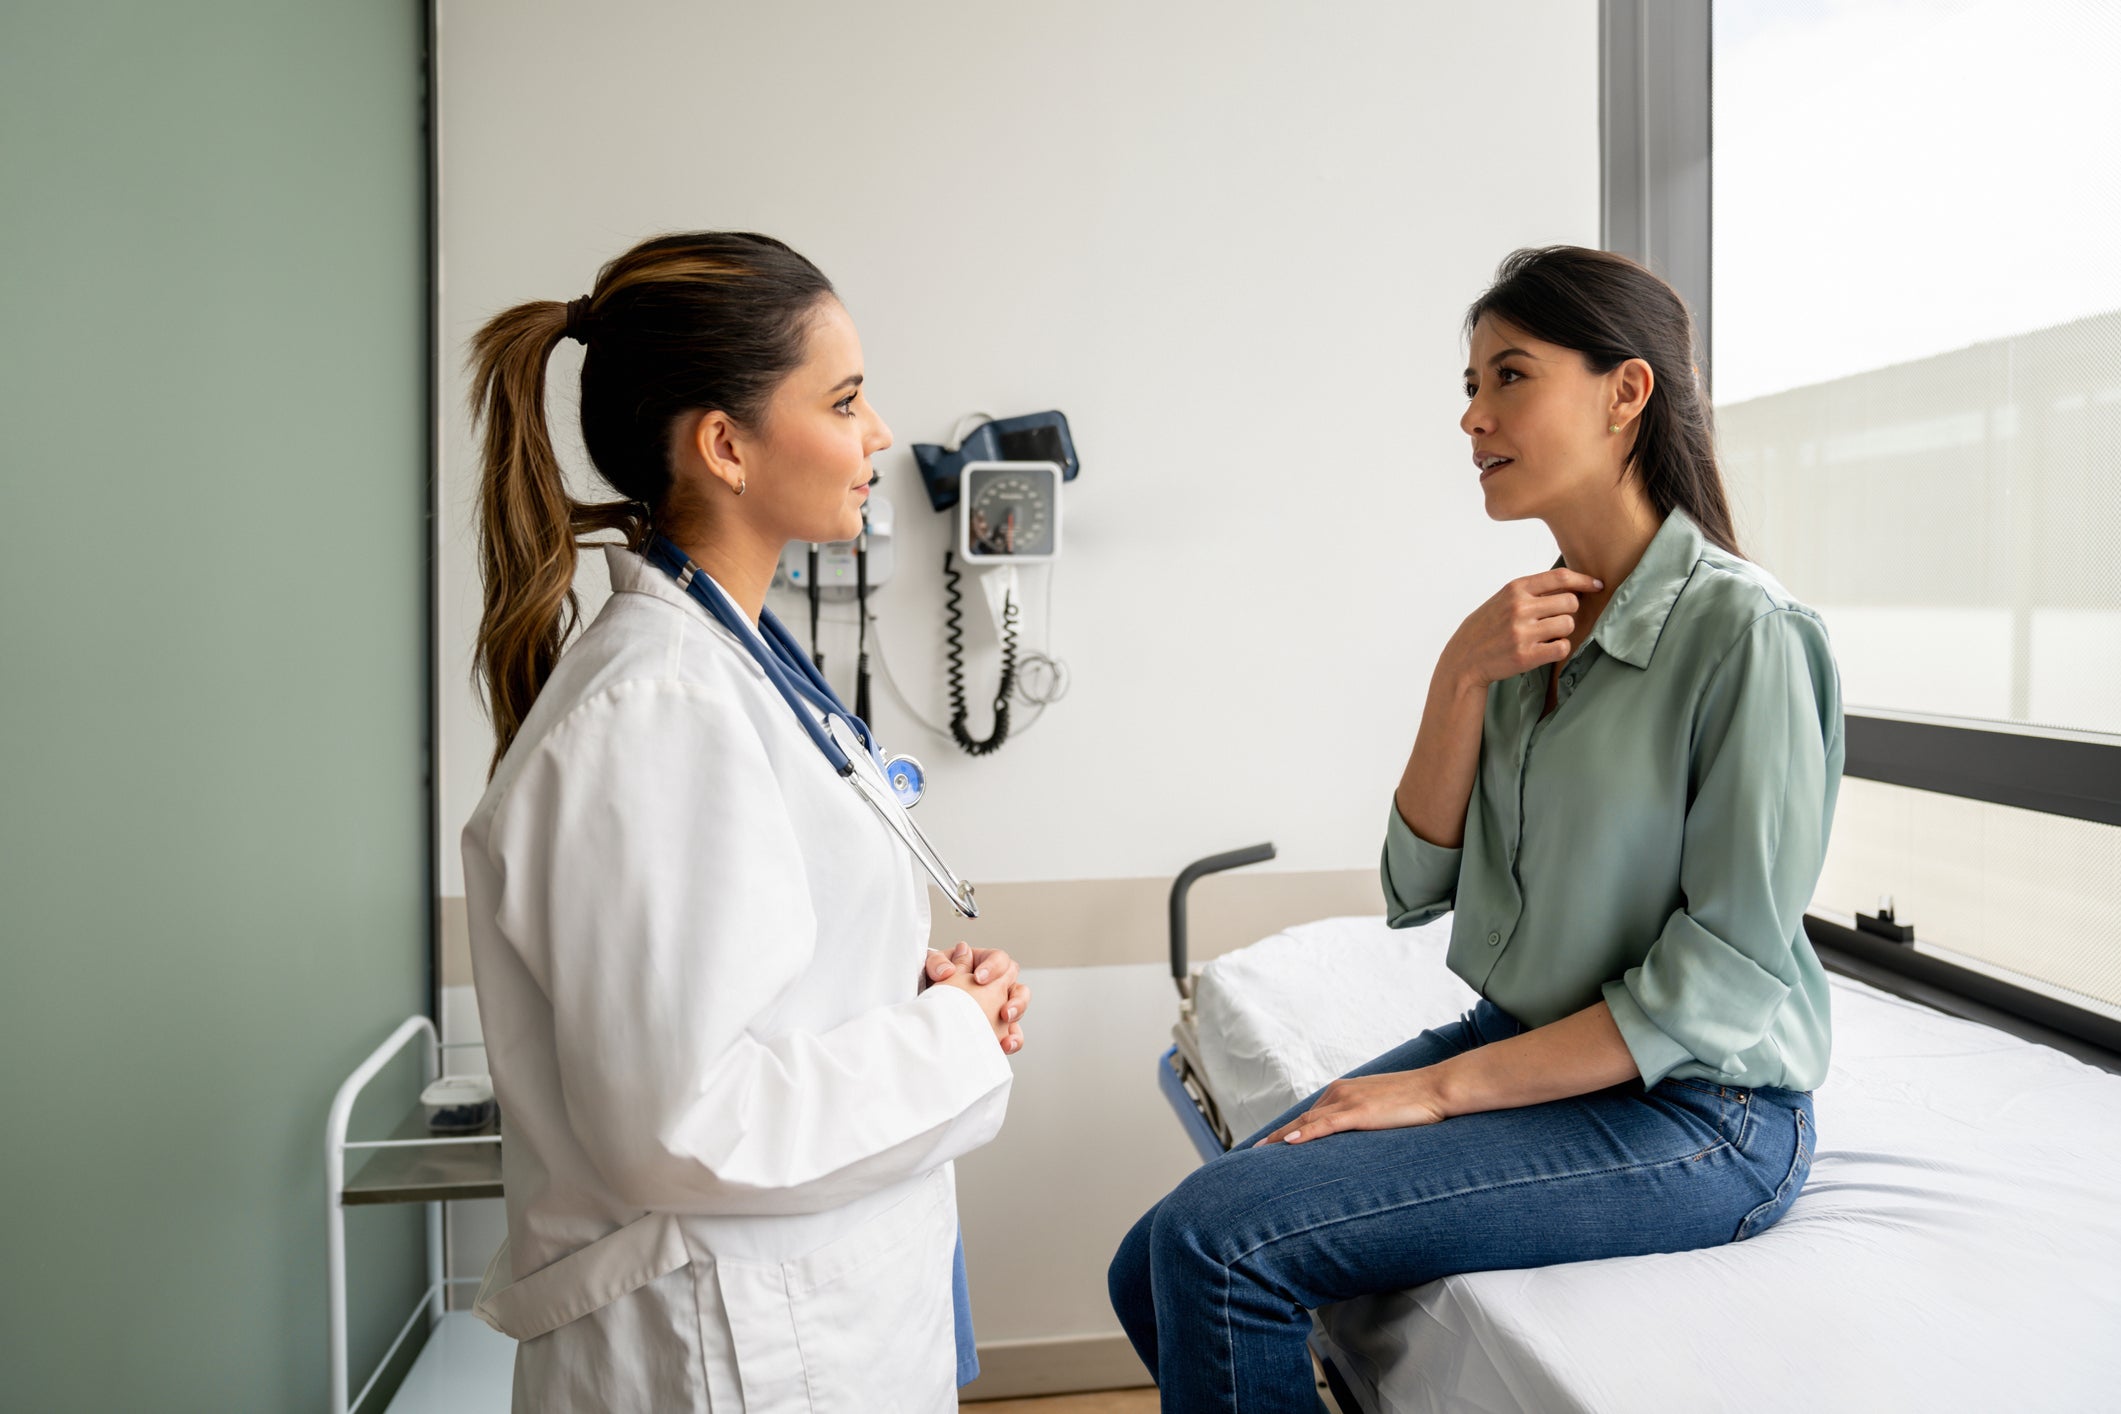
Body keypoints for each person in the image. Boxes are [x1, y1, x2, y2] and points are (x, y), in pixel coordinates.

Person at [1109, 246, 1843, 1410]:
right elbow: (1417, 883)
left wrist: (1443, 1089)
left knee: (1217, 1239)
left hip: (1705, 1108)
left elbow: (1725, 975)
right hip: (1545, 1048)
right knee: (1146, 1266)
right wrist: (1459, 678)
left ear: (1626, 392)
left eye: (1509, 378)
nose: (1473, 417)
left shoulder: (1746, 634)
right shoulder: (1525, 627)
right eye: (1469, 386)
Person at [459, 231, 1029, 1411]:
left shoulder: (726, 666)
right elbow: (680, 1118)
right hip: (733, 1348)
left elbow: (746, 988)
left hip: (807, 1310)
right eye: (846, 398)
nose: (877, 434)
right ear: (725, 444)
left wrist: (908, 992)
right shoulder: (656, 710)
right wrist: (954, 1038)